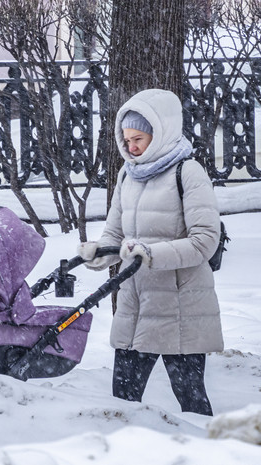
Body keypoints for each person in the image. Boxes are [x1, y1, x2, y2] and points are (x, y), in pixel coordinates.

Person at [77, 88, 223, 415]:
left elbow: (204, 240)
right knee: (122, 403)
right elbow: (116, 235)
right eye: (126, 140)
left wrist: (150, 254)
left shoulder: (188, 173)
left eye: (138, 139)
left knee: (192, 401)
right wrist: (99, 254)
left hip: (181, 309)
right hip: (135, 307)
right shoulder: (127, 175)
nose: (130, 147)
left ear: (161, 132)